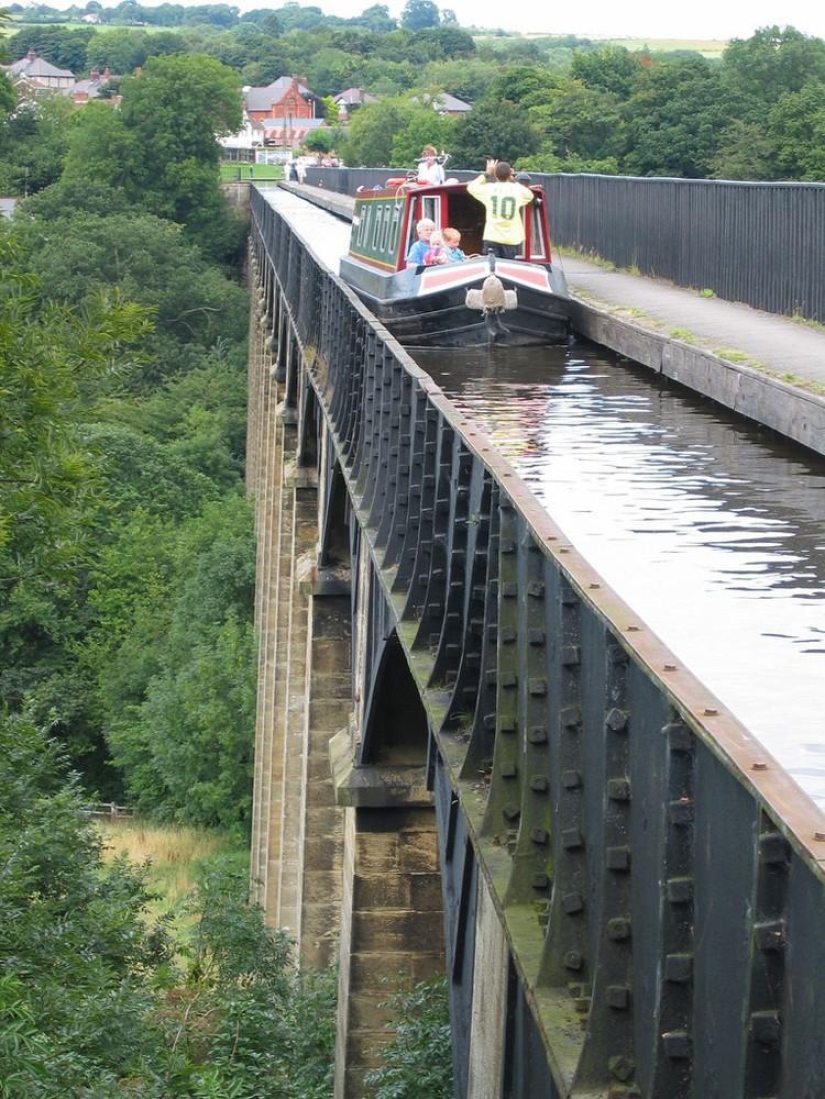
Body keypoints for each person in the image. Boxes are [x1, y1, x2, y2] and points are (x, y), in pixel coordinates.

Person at [467, 158, 534, 259]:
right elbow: (529, 195)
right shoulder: (517, 190)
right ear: (509, 174)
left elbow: (471, 187)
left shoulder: (488, 189)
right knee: (507, 269)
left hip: (492, 237)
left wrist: (487, 173)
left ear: (495, 175)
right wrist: (512, 179)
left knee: (491, 268)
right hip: (511, 239)